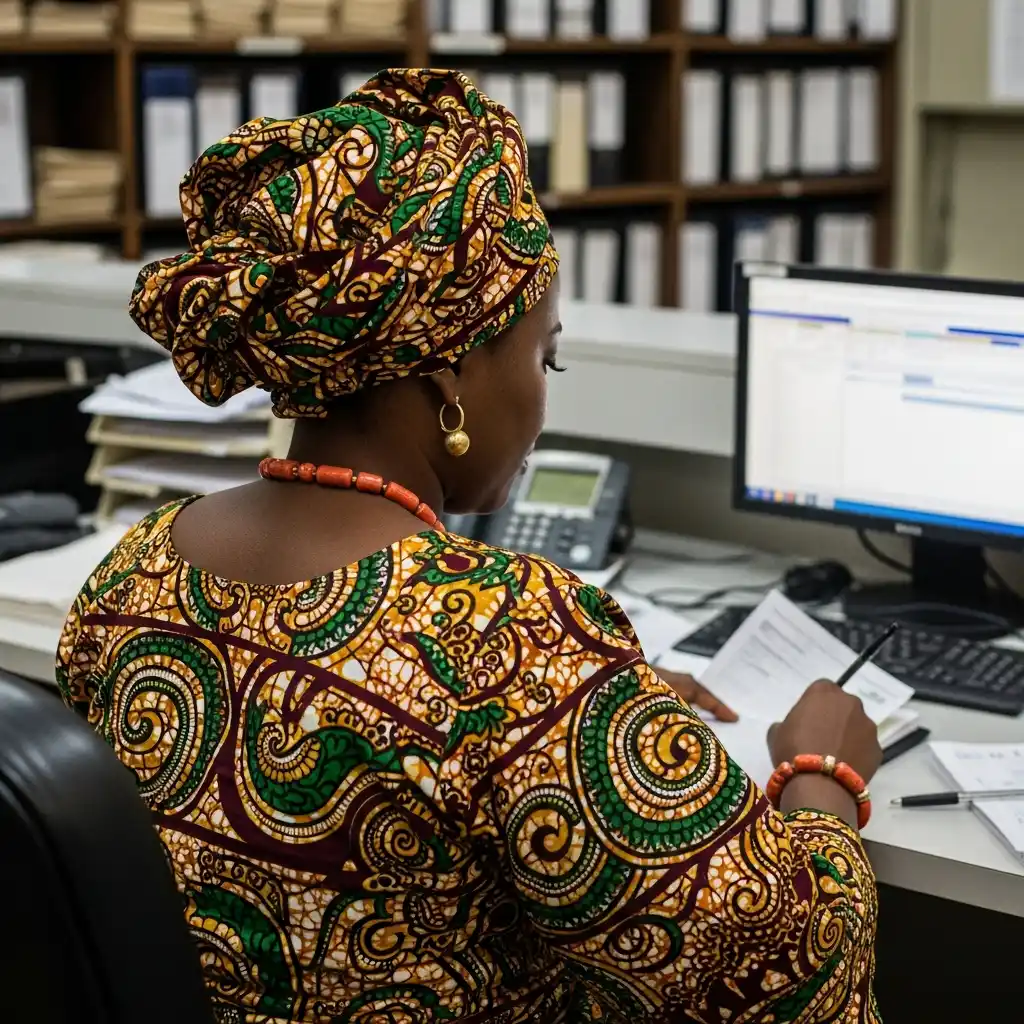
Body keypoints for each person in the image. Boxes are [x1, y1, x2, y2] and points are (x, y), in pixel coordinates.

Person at [57, 69, 882, 1023]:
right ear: (449, 371)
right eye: (545, 355)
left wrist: (596, 701)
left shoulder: (132, 573)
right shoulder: (511, 639)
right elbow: (785, 972)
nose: (542, 398)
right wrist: (823, 777)